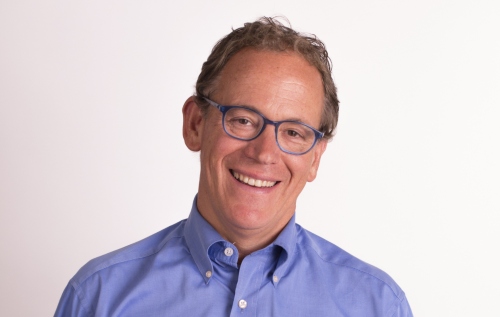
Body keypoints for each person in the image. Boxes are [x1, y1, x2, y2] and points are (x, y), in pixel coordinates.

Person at [54, 17, 413, 316]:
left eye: (292, 132)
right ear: (195, 124)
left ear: (315, 157)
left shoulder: (377, 305)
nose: (264, 153)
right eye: (243, 120)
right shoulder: (98, 297)